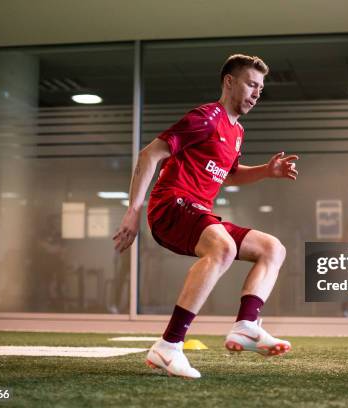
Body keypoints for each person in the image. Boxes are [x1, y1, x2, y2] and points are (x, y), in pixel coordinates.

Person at [113, 54, 298, 379]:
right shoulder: (206, 117)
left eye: (260, 88)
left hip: (198, 212)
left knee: (273, 249)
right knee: (223, 247)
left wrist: (266, 172)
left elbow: (230, 174)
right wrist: (133, 210)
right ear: (230, 82)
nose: (257, 93)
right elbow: (150, 153)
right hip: (170, 206)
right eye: (251, 84)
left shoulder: (237, 131)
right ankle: (168, 346)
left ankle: (247, 325)